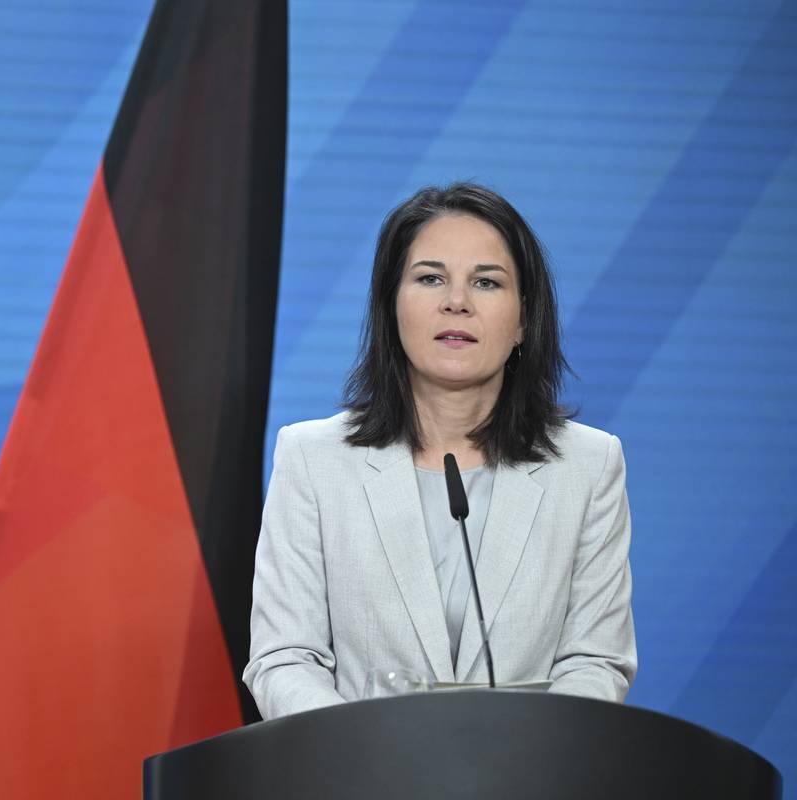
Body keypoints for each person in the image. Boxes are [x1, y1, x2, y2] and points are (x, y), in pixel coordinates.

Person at [243, 183, 636, 720]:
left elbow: (594, 661)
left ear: (524, 319)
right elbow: (285, 659)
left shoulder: (588, 467)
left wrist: (528, 765)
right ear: (392, 306)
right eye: (430, 278)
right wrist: (361, 760)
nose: (456, 301)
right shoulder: (312, 460)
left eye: (486, 282)